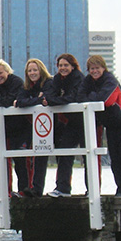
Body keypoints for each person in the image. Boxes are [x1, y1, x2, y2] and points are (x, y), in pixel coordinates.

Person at [77, 55, 121, 196]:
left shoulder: (110, 80)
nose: (94, 71)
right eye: (92, 69)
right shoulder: (88, 81)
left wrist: (91, 96)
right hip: (110, 124)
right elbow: (79, 97)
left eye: (97, 68)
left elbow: (105, 100)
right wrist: (94, 95)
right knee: (115, 159)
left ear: (103, 68)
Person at [0, 59, 32, 197]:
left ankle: (24, 189)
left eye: (1, 73)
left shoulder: (16, 82)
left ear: (7, 71)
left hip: (21, 127)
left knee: (21, 159)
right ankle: (6, 191)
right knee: (3, 160)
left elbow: (13, 99)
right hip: (5, 128)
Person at [43, 53, 86, 197]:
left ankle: (91, 190)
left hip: (85, 121)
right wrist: (57, 100)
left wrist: (57, 100)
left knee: (88, 156)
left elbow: (74, 97)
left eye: (66, 65)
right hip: (72, 123)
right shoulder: (57, 79)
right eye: (60, 65)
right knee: (64, 152)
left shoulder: (78, 77)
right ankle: (63, 188)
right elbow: (49, 96)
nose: (63, 68)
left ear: (73, 66)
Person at [15, 58, 54, 197]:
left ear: (41, 70)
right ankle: (24, 188)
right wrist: (37, 99)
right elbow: (19, 101)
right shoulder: (26, 86)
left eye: (35, 70)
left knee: (40, 157)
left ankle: (37, 189)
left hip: (46, 126)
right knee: (22, 154)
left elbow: (48, 99)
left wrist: (33, 101)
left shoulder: (49, 83)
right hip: (30, 126)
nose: (32, 73)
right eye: (30, 70)